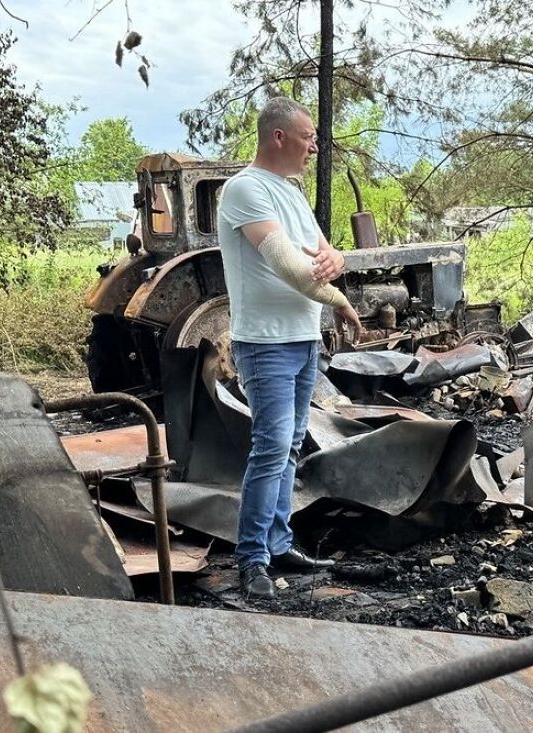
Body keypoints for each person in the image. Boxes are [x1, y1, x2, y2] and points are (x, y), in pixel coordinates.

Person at [218, 97, 364, 599]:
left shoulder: (293, 193)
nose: (314, 147)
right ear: (278, 137)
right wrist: (339, 297)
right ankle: (253, 557)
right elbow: (289, 265)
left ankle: (279, 543)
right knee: (272, 446)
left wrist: (337, 259)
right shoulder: (244, 189)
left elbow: (326, 255)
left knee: (291, 445)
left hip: (303, 338)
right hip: (266, 342)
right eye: (309, 137)